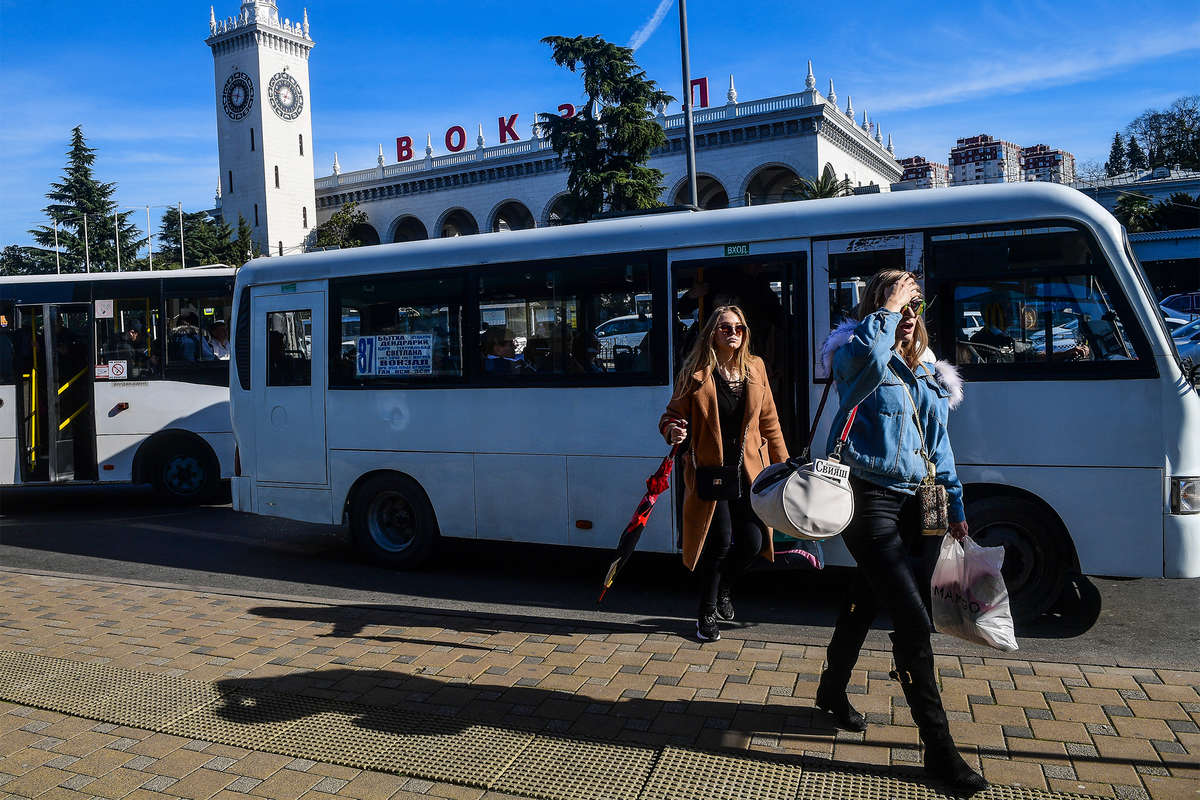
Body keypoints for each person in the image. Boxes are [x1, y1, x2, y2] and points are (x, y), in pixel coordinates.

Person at [818, 270, 987, 795]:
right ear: (880, 309)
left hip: (925, 502)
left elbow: (940, 450)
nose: (909, 316)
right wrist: (888, 308)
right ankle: (939, 750)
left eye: (916, 308)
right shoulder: (857, 354)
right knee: (914, 621)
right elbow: (867, 358)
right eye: (899, 307)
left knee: (868, 597)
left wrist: (955, 506)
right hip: (869, 498)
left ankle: (829, 690)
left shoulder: (932, 375)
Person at [659, 306, 789, 642]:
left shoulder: (756, 368)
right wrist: (674, 431)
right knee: (718, 543)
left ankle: (725, 589)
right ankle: (705, 614)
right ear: (712, 334)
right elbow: (670, 416)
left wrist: (784, 466)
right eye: (725, 327)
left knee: (752, 542)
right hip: (711, 474)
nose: (734, 332)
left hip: (749, 473)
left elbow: (770, 423)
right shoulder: (696, 373)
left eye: (739, 327)